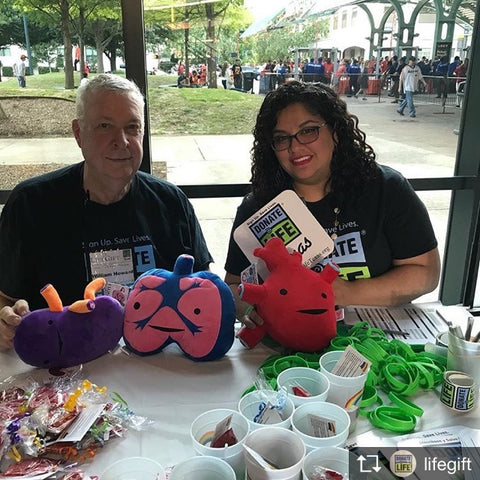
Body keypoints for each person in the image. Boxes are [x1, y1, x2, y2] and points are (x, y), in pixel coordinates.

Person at [0, 73, 213, 350]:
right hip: (62, 366)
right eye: (104, 126)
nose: (121, 140)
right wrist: (5, 320)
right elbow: (4, 298)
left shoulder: (172, 203)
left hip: (158, 366)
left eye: (132, 127)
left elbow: (205, 292)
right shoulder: (30, 204)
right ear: (78, 134)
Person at [223, 81, 440, 328]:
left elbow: (425, 272)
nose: (295, 147)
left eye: (308, 131)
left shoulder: (385, 188)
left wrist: (346, 292)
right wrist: (247, 308)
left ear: (336, 131)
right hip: (287, 349)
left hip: (376, 339)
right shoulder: (258, 208)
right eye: (281, 139)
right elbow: (234, 284)